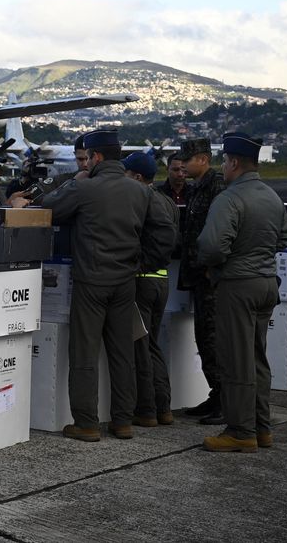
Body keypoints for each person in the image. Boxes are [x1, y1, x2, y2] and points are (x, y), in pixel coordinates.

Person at [41, 129, 153, 442]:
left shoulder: (85, 188)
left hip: (91, 280)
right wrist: (141, 263)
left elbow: (50, 209)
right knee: (122, 354)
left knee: (84, 353)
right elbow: (159, 231)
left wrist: (73, 183)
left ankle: (87, 423)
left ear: (97, 157)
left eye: (88, 157)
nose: (86, 162)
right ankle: (122, 421)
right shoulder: (141, 192)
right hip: (125, 281)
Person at [197, 132, 287, 452]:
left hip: (238, 284)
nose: (222, 167)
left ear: (234, 162)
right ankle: (261, 427)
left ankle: (240, 431)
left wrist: (217, 266)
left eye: (224, 161)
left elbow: (211, 246)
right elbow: (283, 237)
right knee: (257, 359)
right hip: (266, 284)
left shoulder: (230, 198)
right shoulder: (271, 196)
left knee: (236, 361)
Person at [122, 152, 179, 427]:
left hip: (142, 280)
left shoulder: (139, 199)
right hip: (162, 281)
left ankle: (146, 410)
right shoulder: (167, 201)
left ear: (136, 177)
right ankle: (164, 407)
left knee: (140, 347)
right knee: (154, 345)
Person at [176, 138, 226, 425]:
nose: (182, 164)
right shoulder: (197, 188)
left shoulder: (217, 186)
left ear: (204, 159)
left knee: (213, 338)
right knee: (203, 339)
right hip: (197, 275)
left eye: (188, 158)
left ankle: (224, 399)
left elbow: (220, 231)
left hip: (211, 278)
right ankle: (216, 393)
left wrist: (211, 267)